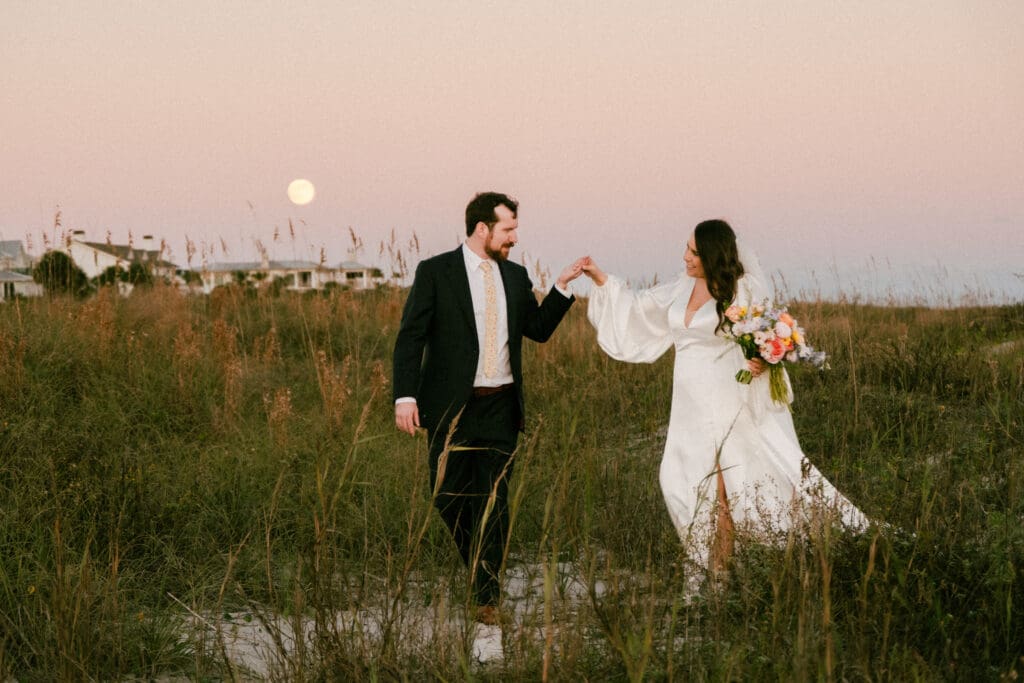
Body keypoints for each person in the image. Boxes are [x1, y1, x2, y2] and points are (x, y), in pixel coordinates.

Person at [580, 219, 868, 575]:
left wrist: (763, 361)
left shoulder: (738, 293)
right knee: (676, 479)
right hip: (687, 401)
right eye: (686, 248)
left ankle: (715, 572)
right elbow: (639, 306)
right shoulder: (681, 287)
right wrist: (600, 278)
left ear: (712, 256)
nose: (684, 256)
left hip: (723, 395)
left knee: (723, 487)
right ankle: (712, 565)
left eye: (694, 252)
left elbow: (758, 337)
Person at [393, 192, 585, 625]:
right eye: (508, 229)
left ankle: (486, 596)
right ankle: (479, 562)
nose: (514, 238)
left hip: (501, 406)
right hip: (450, 409)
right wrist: (405, 396)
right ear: (483, 228)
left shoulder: (515, 277)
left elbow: (536, 330)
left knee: (494, 503)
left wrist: (561, 288)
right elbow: (411, 337)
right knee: (447, 498)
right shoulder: (436, 272)